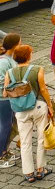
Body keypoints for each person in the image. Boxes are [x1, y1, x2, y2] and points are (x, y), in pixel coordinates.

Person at [3, 43, 53, 182]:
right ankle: (41, 169)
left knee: (25, 141)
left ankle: (28, 173)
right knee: (42, 138)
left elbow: (5, 93)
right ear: (28, 56)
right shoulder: (38, 69)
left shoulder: (9, 73)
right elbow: (43, 89)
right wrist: (50, 106)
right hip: (38, 106)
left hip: (20, 111)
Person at [0, 33, 21, 168]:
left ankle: (4, 150)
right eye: (19, 42)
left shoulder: (10, 58)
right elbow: (2, 80)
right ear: (14, 45)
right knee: (5, 126)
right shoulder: (4, 61)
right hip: (3, 99)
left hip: (10, 97)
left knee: (10, 125)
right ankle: (1, 155)